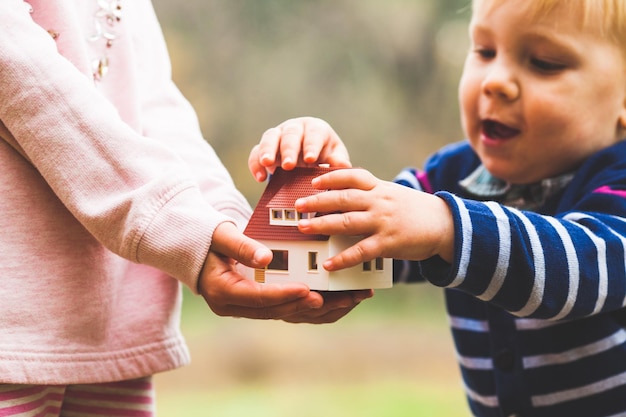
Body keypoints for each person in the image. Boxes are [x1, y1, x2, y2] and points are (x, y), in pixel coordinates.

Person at [248, 0, 626, 415]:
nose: (496, 81)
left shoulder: (618, 184)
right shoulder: (453, 175)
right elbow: (380, 232)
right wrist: (317, 174)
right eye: (484, 51)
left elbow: (582, 269)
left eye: (544, 62)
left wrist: (446, 227)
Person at [0, 0, 372, 415]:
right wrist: (172, 225)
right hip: (11, 331)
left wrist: (224, 225)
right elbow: (19, 72)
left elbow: (154, 103)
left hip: (117, 330)